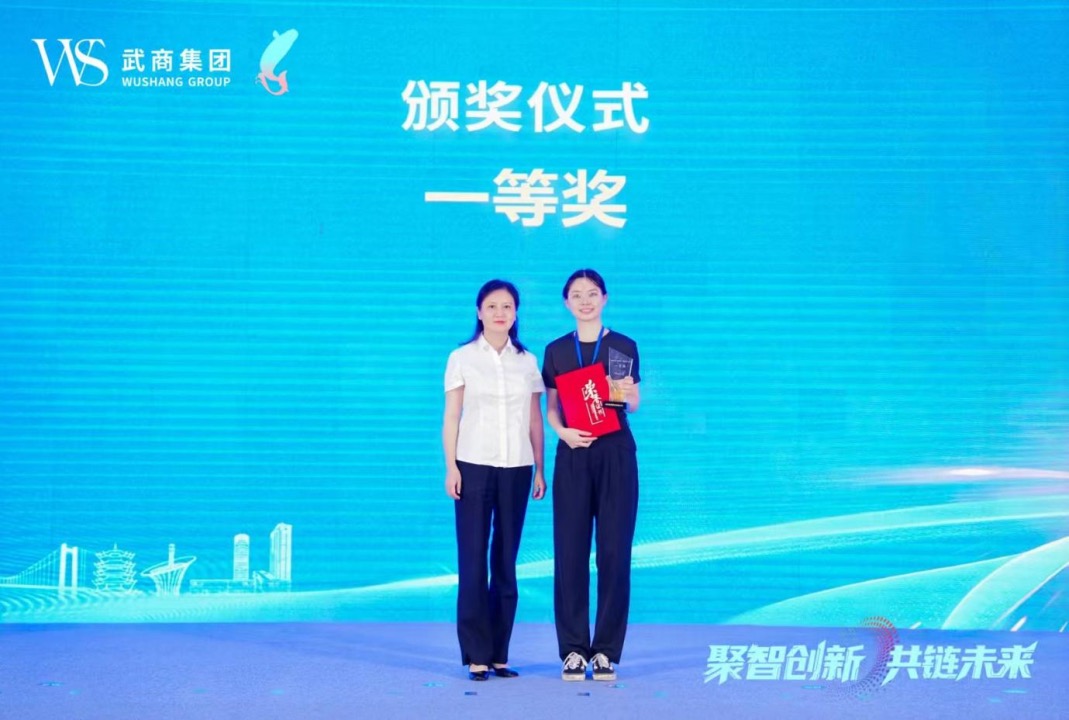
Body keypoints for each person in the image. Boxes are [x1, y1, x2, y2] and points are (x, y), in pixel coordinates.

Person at [442, 279, 546, 681]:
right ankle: (476, 654)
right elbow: (452, 416)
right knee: (472, 559)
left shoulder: (527, 361)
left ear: (516, 313)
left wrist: (540, 467)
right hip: (472, 464)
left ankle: (500, 653)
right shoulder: (462, 357)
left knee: (505, 560)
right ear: (479, 312)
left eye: (507, 306)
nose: (500, 313)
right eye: (492, 306)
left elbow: (534, 419)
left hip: (517, 467)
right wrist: (451, 467)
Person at [541, 268, 641, 682]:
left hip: (615, 453)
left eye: (593, 293)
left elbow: (632, 403)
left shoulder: (621, 345)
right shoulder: (556, 350)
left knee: (614, 553)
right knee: (570, 552)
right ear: (567, 302)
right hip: (573, 453)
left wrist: (623, 392)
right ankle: (573, 650)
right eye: (577, 295)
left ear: (605, 298)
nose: (585, 301)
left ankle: (605, 651)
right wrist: (563, 432)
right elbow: (551, 407)